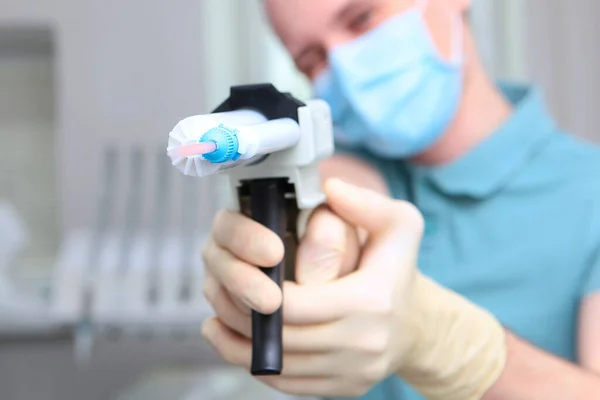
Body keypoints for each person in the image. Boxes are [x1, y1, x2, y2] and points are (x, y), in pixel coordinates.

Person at [200, 0, 600, 399]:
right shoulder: (340, 172)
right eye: (312, 59)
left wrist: (459, 350)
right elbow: (334, 196)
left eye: (361, 19)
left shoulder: (588, 191)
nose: (344, 65)